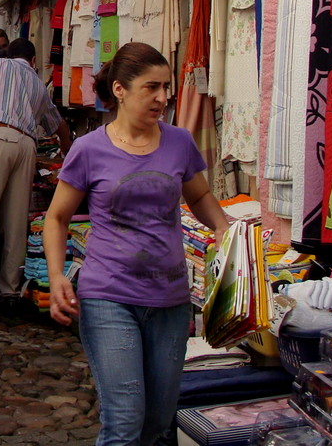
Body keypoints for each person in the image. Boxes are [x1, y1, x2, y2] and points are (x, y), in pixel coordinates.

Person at [42, 42, 229, 446]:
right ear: (121, 90)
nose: (163, 97)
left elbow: (198, 196)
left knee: (159, 423)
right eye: (152, 87)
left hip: (171, 301)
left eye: (166, 87)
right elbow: (56, 218)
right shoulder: (89, 149)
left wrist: (227, 233)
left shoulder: (179, 142)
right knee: (125, 421)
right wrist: (57, 276)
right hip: (109, 297)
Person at [0, 38, 72, 319]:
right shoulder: (37, 82)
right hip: (27, 145)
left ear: (11, 54)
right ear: (32, 60)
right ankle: (9, 290)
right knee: (16, 219)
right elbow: (60, 127)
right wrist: (70, 159)